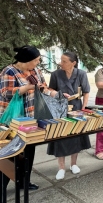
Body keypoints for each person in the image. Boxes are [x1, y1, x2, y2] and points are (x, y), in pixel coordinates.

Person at [0, 45, 56, 190]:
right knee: (10, 153)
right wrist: (27, 88)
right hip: (13, 120)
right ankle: (2, 188)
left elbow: (43, 87)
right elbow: (6, 93)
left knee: (29, 151)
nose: (38, 63)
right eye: (36, 60)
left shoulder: (35, 70)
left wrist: (54, 93)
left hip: (31, 119)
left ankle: (24, 182)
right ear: (27, 60)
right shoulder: (9, 71)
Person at [47, 52, 91, 180]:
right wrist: (59, 94)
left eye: (64, 61)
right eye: (61, 60)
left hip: (76, 108)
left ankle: (73, 164)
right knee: (60, 136)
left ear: (73, 63)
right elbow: (50, 90)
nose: (61, 63)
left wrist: (84, 107)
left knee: (75, 136)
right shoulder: (55, 74)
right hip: (60, 108)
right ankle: (61, 168)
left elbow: (86, 91)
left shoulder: (81, 74)